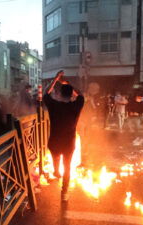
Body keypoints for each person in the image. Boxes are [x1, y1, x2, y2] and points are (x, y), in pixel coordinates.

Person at [43, 70, 84, 201]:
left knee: (56, 158)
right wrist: (68, 83)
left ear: (59, 94)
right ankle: (64, 193)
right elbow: (81, 94)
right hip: (69, 143)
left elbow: (46, 93)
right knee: (67, 167)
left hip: (54, 142)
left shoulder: (54, 105)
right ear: (72, 94)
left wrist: (56, 78)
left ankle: (55, 170)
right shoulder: (76, 106)